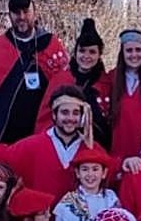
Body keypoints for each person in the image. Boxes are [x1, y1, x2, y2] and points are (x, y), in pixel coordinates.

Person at [0, 0, 68, 145]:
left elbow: (64, 88)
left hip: (43, 133)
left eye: (26, 11)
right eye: (16, 12)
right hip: (6, 136)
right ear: (9, 15)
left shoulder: (51, 44)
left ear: (34, 12)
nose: (21, 17)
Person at [0, 86, 95, 202]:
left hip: (78, 219)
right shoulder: (31, 145)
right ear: (54, 115)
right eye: (65, 112)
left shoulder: (91, 149)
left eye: (75, 113)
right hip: (39, 217)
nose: (70, 118)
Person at [34, 18, 113, 149]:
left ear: (100, 55)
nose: (86, 56)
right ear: (75, 53)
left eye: (92, 52)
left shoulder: (107, 82)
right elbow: (45, 119)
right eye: (82, 51)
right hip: (62, 146)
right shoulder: (60, 80)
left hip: (98, 150)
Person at [108, 29, 141, 161]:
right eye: (129, 50)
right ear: (122, 53)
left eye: (138, 50)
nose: (134, 55)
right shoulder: (111, 78)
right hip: (118, 153)